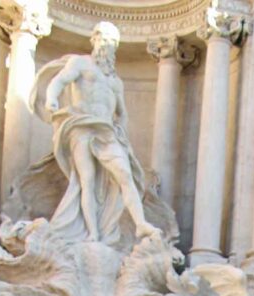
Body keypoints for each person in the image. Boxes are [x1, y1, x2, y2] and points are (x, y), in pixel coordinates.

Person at [30, 21, 158, 246]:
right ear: (94, 40)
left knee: (125, 176)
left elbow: (122, 113)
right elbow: (58, 82)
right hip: (81, 128)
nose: (106, 45)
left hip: (107, 133)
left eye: (112, 42)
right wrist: (51, 98)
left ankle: (140, 224)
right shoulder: (80, 63)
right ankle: (93, 233)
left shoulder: (115, 82)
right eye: (103, 39)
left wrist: (123, 137)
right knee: (86, 181)